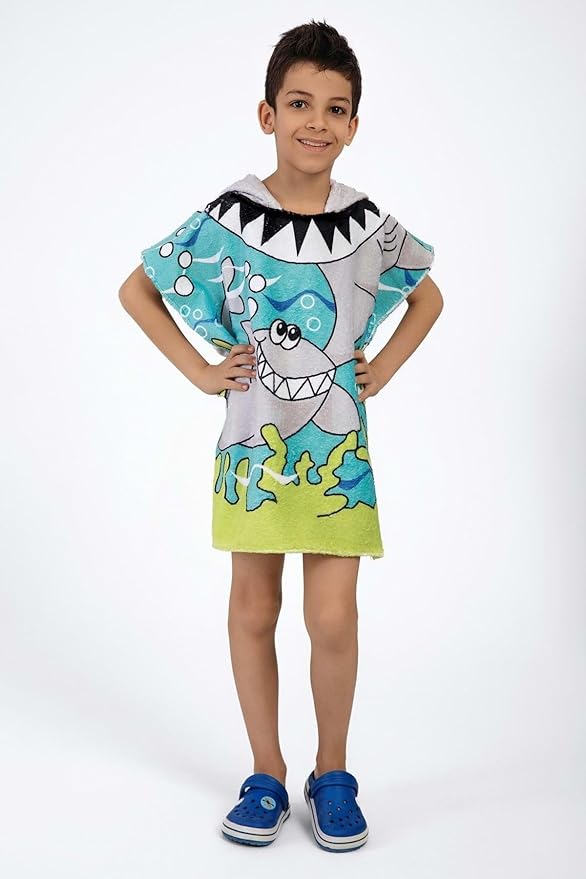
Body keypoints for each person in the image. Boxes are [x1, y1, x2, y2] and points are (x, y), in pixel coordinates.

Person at [119, 18, 443, 852]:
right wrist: (201, 372)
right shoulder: (230, 217)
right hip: (254, 451)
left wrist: (383, 368)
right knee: (254, 607)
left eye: (335, 109)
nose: (316, 122)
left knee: (332, 617)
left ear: (354, 125)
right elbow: (138, 288)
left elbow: (427, 296)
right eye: (299, 103)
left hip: (337, 459)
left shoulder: (366, 224)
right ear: (267, 114)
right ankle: (266, 770)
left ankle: (332, 772)